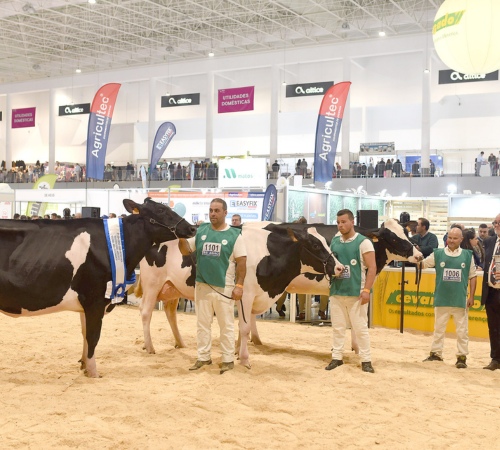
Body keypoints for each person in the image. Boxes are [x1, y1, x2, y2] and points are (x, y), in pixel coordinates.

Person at [179, 198, 247, 374]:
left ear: (225, 212)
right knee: (202, 324)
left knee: (226, 325)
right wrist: (180, 237)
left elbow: (242, 262)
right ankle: (203, 357)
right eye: (210, 210)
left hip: (224, 287)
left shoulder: (234, 235)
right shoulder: (201, 231)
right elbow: (186, 250)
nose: (213, 214)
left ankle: (227, 359)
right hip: (202, 285)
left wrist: (239, 285)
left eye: (217, 210)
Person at [325, 209, 376, 373]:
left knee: (360, 328)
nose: (340, 225)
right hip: (337, 291)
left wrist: (367, 290)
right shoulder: (334, 241)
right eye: (338, 222)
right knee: (338, 328)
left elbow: (372, 267)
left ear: (352, 222)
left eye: (343, 222)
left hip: (356, 293)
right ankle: (337, 357)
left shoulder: (364, 242)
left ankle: (366, 360)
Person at [421, 227, 476, 368]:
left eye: (455, 238)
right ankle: (436, 354)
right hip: (441, 299)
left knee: (462, 331)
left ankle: (462, 357)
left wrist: (472, 296)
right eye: (449, 237)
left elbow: (473, 276)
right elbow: (423, 264)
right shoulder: (437, 253)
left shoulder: (468, 255)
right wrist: (411, 255)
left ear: (461, 239)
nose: (451, 240)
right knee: (438, 328)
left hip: (460, 300)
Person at [481, 214, 500, 370]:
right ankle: (495, 359)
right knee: (493, 327)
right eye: (495, 222)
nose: (497, 225)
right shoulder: (488, 241)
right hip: (491, 292)